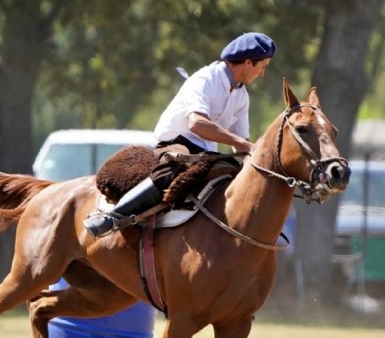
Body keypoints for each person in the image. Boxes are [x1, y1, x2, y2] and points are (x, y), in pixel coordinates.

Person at [84, 31, 276, 238]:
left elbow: (241, 146)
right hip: (175, 143)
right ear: (248, 63)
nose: (262, 73)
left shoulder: (242, 97)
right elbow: (197, 124)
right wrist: (244, 145)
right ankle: (112, 217)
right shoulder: (205, 79)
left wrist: (260, 169)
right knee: (175, 171)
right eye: (262, 66)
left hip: (205, 155)